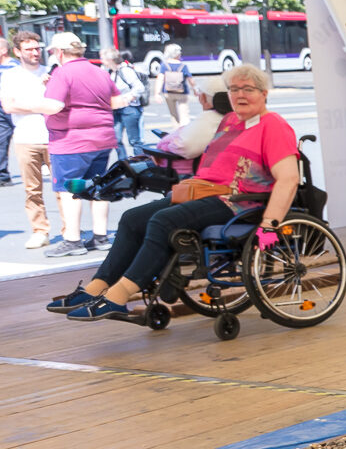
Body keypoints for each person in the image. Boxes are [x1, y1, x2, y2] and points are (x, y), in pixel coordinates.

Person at [48, 63, 298, 322]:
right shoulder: (230, 121)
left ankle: (119, 296)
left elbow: (289, 178)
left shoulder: (274, 126)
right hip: (202, 192)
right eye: (234, 89)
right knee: (132, 218)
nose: (240, 95)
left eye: (248, 89)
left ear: (264, 93)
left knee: (163, 221)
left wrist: (270, 224)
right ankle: (96, 288)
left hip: (237, 201)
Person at [14, 32, 129, 256]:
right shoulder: (99, 72)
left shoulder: (62, 73)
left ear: (59, 52)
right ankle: (100, 237)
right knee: (98, 186)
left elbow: (54, 106)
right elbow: (117, 101)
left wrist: (31, 104)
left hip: (71, 140)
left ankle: (73, 240)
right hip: (102, 139)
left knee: (70, 190)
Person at [1, 30, 53, 246]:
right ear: (17, 51)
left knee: (63, 187)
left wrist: (32, 105)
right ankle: (40, 230)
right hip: (26, 138)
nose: (35, 52)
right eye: (29, 49)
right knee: (32, 189)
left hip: (54, 137)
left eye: (37, 47)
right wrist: (41, 106)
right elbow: (9, 106)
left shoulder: (51, 71)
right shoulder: (11, 76)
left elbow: (61, 104)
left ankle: (70, 231)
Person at [106, 49, 149, 158]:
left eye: (103, 58)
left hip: (130, 108)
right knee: (116, 140)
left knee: (134, 140)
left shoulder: (125, 70)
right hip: (116, 109)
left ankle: (141, 164)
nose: (101, 60)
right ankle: (124, 163)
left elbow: (139, 87)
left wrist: (126, 98)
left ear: (110, 60)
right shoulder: (110, 71)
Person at [160, 44, 192, 123]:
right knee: (184, 114)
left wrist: (157, 93)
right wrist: (195, 89)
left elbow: (160, 79)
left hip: (168, 92)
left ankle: (176, 131)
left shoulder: (164, 66)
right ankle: (184, 131)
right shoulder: (183, 66)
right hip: (182, 92)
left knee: (173, 115)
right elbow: (190, 79)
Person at [0, 33, 13, 187]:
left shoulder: (14, 67)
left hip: (16, 107)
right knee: (2, 140)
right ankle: (2, 174)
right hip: (2, 107)